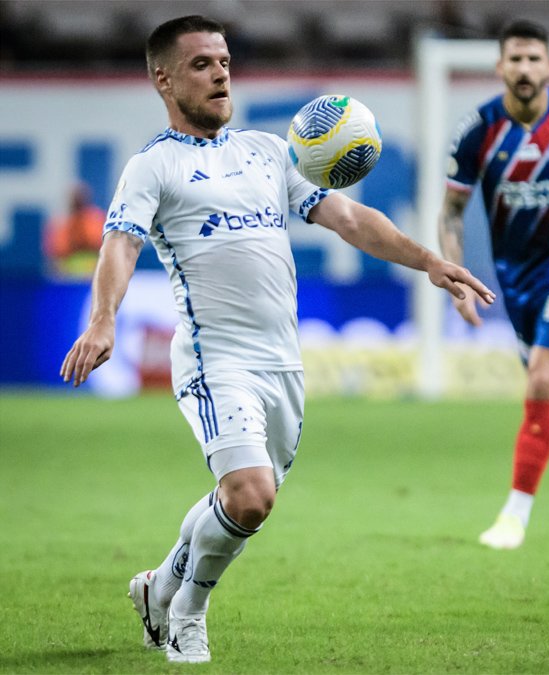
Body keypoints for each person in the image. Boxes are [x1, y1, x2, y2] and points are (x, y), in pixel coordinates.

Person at [59, 15, 494, 664]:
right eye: (202, 63)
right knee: (250, 492)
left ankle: (159, 586)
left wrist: (429, 261)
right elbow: (119, 243)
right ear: (164, 79)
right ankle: (189, 611)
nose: (220, 72)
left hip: (283, 366)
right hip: (216, 359)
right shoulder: (153, 165)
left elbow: (348, 217)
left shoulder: (267, 153)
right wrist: (103, 318)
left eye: (225, 60)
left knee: (244, 505)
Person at [438, 19, 549, 550]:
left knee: (542, 377)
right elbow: (452, 212)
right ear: (500, 67)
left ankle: (514, 514)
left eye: (534, 59)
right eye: (516, 59)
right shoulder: (478, 129)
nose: (525, 68)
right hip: (517, 280)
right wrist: (457, 274)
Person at [43, 182, 106, 278]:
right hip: (67, 276)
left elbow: (100, 244)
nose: (77, 200)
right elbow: (56, 253)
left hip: (94, 273)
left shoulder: (96, 219)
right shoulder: (60, 222)